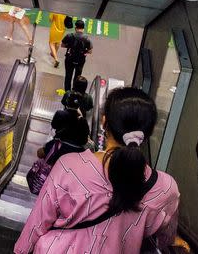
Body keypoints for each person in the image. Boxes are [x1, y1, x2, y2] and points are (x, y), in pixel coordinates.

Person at [15, 87, 181, 254]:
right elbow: (163, 239)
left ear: (104, 121)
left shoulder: (69, 166)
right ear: (147, 133)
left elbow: (38, 221)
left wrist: (20, 251)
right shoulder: (166, 188)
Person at [61, 19, 92, 91]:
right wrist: (85, 52)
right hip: (80, 60)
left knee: (68, 76)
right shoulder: (87, 39)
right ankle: (75, 90)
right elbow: (90, 51)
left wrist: (69, 46)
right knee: (78, 76)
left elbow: (62, 45)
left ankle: (67, 92)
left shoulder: (69, 36)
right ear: (83, 28)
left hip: (69, 59)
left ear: (75, 27)